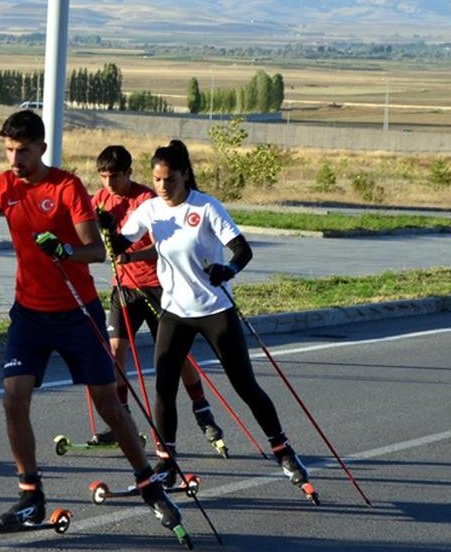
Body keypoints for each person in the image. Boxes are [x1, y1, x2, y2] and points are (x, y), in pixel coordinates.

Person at [0, 110, 182, 533]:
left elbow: (94, 252)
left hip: (76, 312)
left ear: (41, 148)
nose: (14, 159)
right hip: (29, 313)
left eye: (23, 150)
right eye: (8, 149)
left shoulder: (66, 186)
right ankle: (30, 495)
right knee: (13, 397)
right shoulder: (2, 186)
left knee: (109, 405)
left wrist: (63, 251)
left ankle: (148, 482)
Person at [114, 139, 311, 492]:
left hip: (214, 310)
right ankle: (166, 463)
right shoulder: (150, 209)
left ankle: (282, 450)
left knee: (244, 385)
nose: (163, 187)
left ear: (185, 175)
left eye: (170, 180)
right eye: (157, 180)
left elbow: (242, 250)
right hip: (175, 311)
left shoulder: (205, 207)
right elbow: (119, 241)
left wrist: (228, 269)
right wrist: (105, 230)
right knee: (163, 388)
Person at [91, 145, 226, 454]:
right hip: (123, 288)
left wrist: (129, 254)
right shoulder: (100, 200)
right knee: (115, 351)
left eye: (114, 176)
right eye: (103, 177)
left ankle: (201, 406)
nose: (108, 183)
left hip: (156, 286)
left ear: (128, 173)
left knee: (173, 357)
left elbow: (160, 248)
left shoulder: (148, 200)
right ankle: (121, 417)